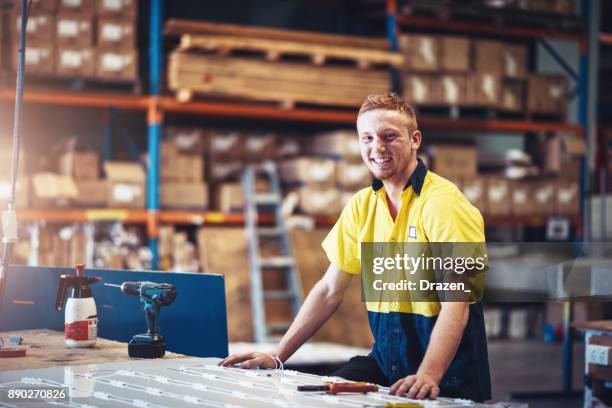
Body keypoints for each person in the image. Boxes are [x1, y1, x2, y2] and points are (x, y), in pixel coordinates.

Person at [220, 92, 491, 402]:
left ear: (415, 139)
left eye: (389, 136)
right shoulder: (362, 206)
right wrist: (277, 356)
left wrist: (430, 373)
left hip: (448, 374)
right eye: (367, 138)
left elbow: (457, 303)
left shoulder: (444, 205)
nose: (377, 147)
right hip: (387, 364)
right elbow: (329, 290)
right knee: (319, 397)